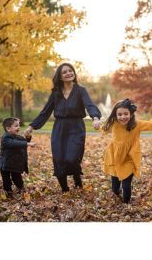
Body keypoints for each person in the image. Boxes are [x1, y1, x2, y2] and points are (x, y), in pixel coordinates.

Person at [24, 63, 102, 193]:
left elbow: (90, 105)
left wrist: (95, 117)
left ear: (74, 74)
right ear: (60, 77)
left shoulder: (80, 91)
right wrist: (32, 126)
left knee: (72, 158)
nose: (68, 73)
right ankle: (64, 189)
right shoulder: (56, 93)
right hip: (59, 128)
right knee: (59, 159)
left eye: (70, 71)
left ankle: (77, 177)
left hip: (76, 127)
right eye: (64, 72)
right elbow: (45, 112)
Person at [101, 98, 152, 205]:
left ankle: (126, 203)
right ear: (115, 115)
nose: (123, 117)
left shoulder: (136, 124)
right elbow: (103, 128)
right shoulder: (114, 124)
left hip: (130, 157)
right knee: (115, 188)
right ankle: (117, 193)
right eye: (119, 114)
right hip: (115, 158)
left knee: (126, 184)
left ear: (131, 114)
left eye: (126, 114)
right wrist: (97, 124)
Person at [0, 116, 32, 198]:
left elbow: (23, 141)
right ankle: (8, 191)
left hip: (14, 164)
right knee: (6, 181)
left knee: (17, 178)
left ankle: (20, 187)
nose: (19, 127)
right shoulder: (5, 138)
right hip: (6, 164)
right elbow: (13, 143)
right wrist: (26, 144)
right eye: (16, 126)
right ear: (8, 129)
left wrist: (27, 137)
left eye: (19, 125)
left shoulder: (17, 137)